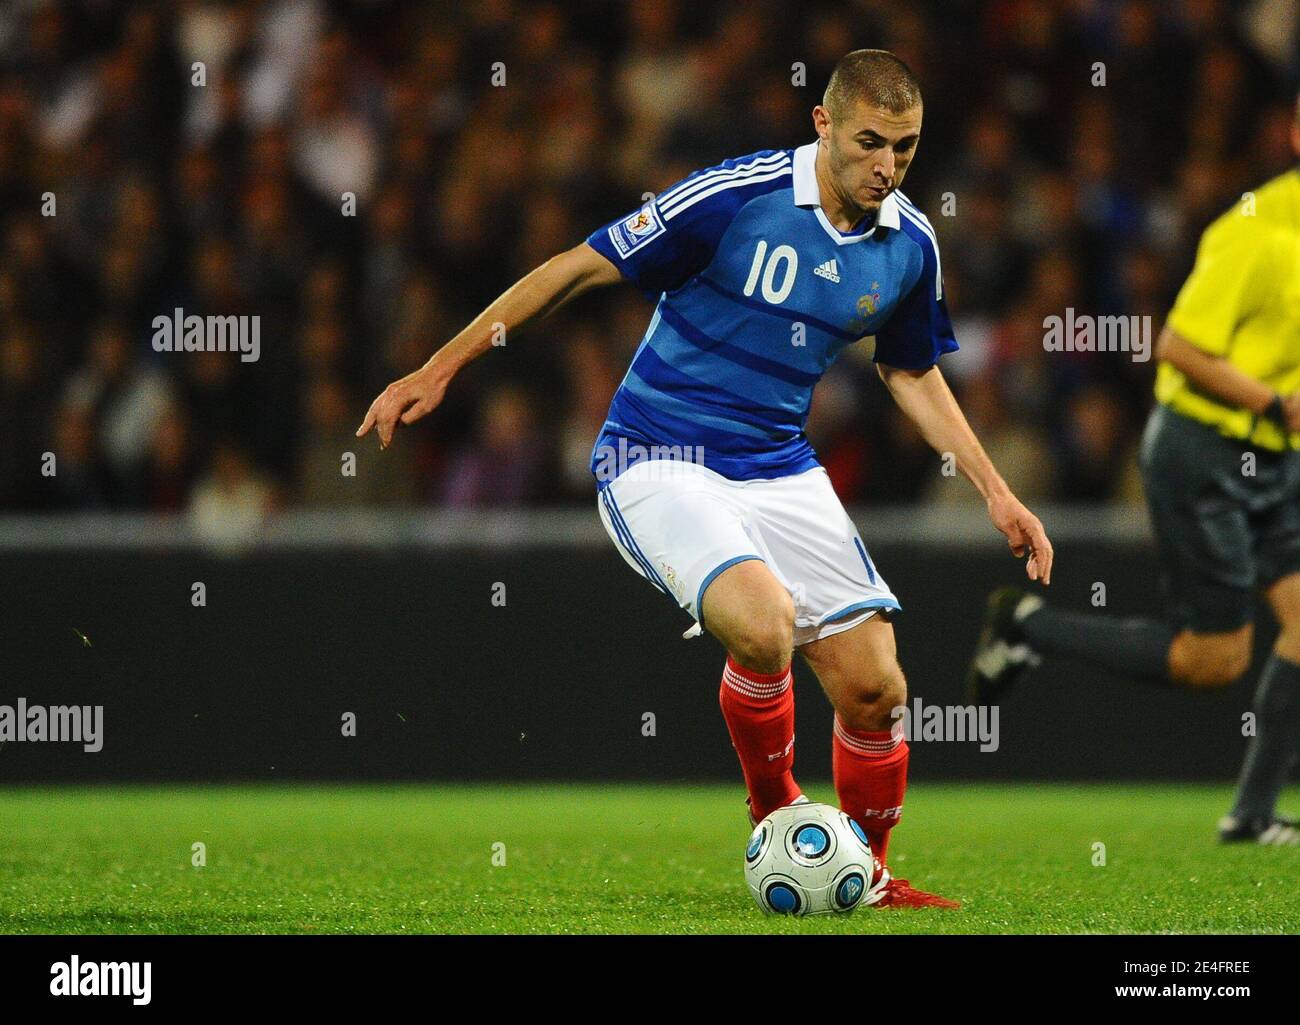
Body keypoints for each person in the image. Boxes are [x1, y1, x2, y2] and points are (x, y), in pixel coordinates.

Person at [360, 50, 1053, 906]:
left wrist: (995, 488)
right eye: (871, 142)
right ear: (823, 125)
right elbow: (578, 267)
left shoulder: (908, 244)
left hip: (776, 463)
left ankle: (862, 875)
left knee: (877, 685)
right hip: (658, 453)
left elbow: (909, 369)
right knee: (764, 626)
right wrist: (440, 365)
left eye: (905, 149)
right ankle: (778, 817)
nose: (887, 166)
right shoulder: (734, 198)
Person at [969, 97, 1300, 847]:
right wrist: (1275, 400)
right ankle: (1031, 625)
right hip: (1203, 452)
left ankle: (1249, 816)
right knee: (1214, 659)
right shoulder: (1259, 233)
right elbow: (1178, 347)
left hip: (1275, 455)